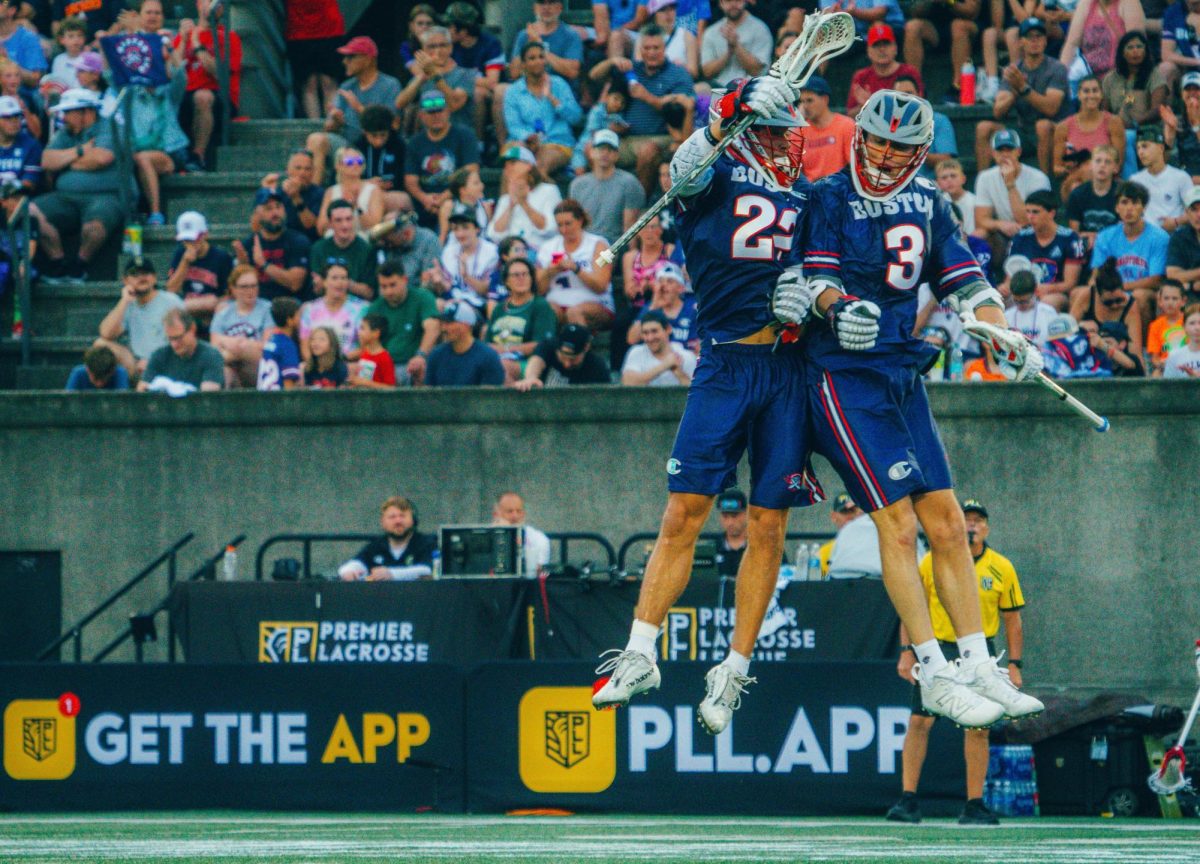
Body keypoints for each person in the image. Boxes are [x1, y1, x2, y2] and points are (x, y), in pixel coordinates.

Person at [786, 88, 1046, 728]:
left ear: (921, 152)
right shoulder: (826, 196)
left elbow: (966, 281)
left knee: (951, 523)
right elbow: (814, 278)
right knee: (897, 526)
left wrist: (999, 328)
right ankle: (932, 670)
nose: (885, 154)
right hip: (842, 375)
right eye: (878, 140)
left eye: (901, 146)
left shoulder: (929, 200)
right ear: (860, 137)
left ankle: (979, 664)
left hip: (900, 372)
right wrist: (838, 309)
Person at [591, 75, 826, 736]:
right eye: (777, 133)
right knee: (683, 513)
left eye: (790, 134)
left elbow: (828, 272)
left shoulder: (805, 199)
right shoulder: (713, 178)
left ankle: (734, 667)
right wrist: (724, 113)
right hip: (724, 362)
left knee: (770, 522)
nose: (789, 145)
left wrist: (806, 298)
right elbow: (682, 169)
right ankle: (641, 651)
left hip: (785, 366)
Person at [887, 499, 1034, 826]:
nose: (971, 526)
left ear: (987, 528)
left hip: (979, 650)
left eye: (978, 521)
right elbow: (913, 607)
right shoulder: (931, 562)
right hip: (937, 648)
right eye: (965, 519)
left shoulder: (1001, 567)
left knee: (979, 727)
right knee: (919, 722)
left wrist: (1015, 663)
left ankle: (974, 803)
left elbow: (1013, 620)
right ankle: (908, 799)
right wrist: (906, 650)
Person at [588, 24, 696, 191]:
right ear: (640, 48)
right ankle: (603, 194)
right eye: (646, 48)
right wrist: (612, 62)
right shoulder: (632, 69)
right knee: (590, 148)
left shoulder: (678, 74)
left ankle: (639, 203)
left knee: (648, 151)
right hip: (626, 137)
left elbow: (680, 112)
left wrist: (647, 97)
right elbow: (593, 76)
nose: (651, 52)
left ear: (664, 47)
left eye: (656, 47)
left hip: (661, 137)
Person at [35, 89, 122, 285]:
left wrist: (65, 162)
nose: (63, 117)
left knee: (95, 225)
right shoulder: (66, 133)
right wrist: (81, 151)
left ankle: (79, 267)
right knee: (29, 211)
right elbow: (46, 160)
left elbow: (101, 158)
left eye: (68, 112)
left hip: (105, 196)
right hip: (65, 197)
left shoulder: (108, 128)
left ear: (87, 112)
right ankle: (58, 264)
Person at [306, 36, 401, 186]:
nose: (345, 61)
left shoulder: (390, 85)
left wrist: (359, 108)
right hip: (350, 146)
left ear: (368, 59)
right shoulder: (346, 86)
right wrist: (336, 121)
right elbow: (329, 129)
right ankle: (314, 193)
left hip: (376, 144)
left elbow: (394, 125)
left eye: (351, 57)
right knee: (316, 139)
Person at [173, 0, 242, 172]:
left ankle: (199, 155)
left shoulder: (228, 37)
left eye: (217, 2)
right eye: (208, 1)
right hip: (184, 94)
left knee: (202, 96)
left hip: (219, 96)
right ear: (198, 4)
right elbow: (174, 71)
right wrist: (183, 40)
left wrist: (197, 45)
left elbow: (219, 73)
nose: (213, 6)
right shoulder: (184, 35)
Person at [1088, 180, 1167, 320]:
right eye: (1124, 202)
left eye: (1135, 202)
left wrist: (1120, 288)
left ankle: (1141, 342)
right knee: (1082, 292)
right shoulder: (1105, 236)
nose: (1129, 208)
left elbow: (1156, 280)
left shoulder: (1159, 237)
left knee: (1139, 296)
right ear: (1117, 208)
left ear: (1143, 207)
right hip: (1111, 292)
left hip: (1142, 292)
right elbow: (1096, 274)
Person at [403, 90, 482, 231]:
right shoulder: (415, 142)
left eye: (440, 111)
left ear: (448, 112)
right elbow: (410, 180)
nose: (436, 116)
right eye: (431, 113)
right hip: (424, 204)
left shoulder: (465, 135)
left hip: (456, 200)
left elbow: (471, 170)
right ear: (421, 116)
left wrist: (444, 197)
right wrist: (425, 198)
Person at [502, 41, 582, 178]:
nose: (538, 61)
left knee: (538, 167)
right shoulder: (513, 91)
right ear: (523, 64)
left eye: (541, 57)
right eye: (532, 58)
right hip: (524, 142)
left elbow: (576, 117)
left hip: (556, 143)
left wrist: (552, 98)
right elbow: (513, 125)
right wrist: (528, 138)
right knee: (513, 169)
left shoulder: (559, 84)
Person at [95, 257, 184, 379]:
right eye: (135, 274)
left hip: (167, 363)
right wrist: (124, 300)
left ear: (154, 277)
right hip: (137, 365)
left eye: (146, 273)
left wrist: (153, 362)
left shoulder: (171, 302)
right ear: (125, 280)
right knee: (101, 344)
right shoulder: (128, 304)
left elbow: (184, 340)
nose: (141, 278)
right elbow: (106, 333)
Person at [974, 129, 1052, 261]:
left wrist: (1010, 184)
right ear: (993, 154)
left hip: (1034, 231)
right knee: (979, 235)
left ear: (1019, 152)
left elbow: (1027, 220)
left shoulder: (1038, 178)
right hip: (1004, 232)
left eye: (1009, 150)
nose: (1005, 155)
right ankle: (984, 277)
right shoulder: (985, 177)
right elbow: (981, 220)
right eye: (1000, 151)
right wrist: (1000, 224)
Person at [536, 199, 615, 329]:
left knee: (574, 312)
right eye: (559, 225)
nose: (564, 230)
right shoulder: (547, 247)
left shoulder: (600, 244)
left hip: (595, 303)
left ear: (580, 220)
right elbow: (538, 289)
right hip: (557, 301)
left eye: (568, 224)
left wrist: (576, 269)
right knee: (546, 310)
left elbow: (601, 285)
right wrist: (549, 271)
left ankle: (581, 347)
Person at [1102, 31, 1169, 174]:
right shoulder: (1110, 78)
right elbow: (1104, 111)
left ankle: (1130, 181)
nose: (1135, 51)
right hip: (1116, 127)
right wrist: (1117, 124)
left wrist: (1134, 123)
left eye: (1139, 47)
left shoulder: (1154, 74)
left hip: (1147, 129)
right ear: (1122, 52)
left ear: (1145, 50)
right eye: (1130, 47)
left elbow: (1158, 110)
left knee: (1128, 136)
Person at [1005, 190, 1084, 310]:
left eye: (1035, 212)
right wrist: (1006, 287)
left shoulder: (1070, 238)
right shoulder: (1020, 238)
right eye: (1028, 212)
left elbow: (1070, 283)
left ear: (1051, 213)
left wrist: (1045, 288)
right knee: (1000, 298)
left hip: (1056, 293)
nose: (1030, 217)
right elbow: (1010, 276)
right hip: (1024, 291)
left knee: (1046, 303)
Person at [484, 257, 558, 383]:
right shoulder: (499, 309)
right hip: (498, 360)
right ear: (507, 281)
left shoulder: (540, 306)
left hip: (528, 363)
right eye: (516, 275)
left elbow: (541, 345)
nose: (521, 278)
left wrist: (505, 349)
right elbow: (487, 344)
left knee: (499, 367)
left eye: (525, 274)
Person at [1051, 76, 1125, 201]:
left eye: (1095, 91)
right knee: (1077, 185)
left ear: (1101, 94)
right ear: (1078, 95)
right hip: (1075, 180)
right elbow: (1056, 168)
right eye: (1086, 91)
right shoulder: (1063, 127)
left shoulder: (1113, 122)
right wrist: (1068, 168)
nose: (1091, 95)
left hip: (1106, 177)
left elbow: (1118, 163)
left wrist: (1093, 169)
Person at [365, 259, 439, 385]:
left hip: (412, 362)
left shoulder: (422, 298)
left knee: (421, 370)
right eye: (383, 286)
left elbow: (433, 327)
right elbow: (367, 341)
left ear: (404, 280)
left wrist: (420, 355)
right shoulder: (376, 307)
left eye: (393, 285)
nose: (388, 291)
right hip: (384, 364)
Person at [232, 189, 312, 302]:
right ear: (257, 214)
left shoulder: (298, 241)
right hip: (257, 303)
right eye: (268, 209)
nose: (275, 213)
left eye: (278, 207)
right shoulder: (249, 244)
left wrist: (264, 264)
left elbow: (295, 284)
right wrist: (243, 265)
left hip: (290, 304)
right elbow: (239, 288)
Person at [569, 129, 646, 245]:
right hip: (584, 247)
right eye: (601, 149)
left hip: (614, 248)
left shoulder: (629, 183)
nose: (605, 153)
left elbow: (630, 229)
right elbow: (573, 223)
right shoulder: (577, 185)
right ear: (591, 152)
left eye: (610, 149)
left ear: (616, 155)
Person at [394, 25, 477, 131]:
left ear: (450, 48)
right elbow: (400, 103)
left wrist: (434, 74)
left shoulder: (466, 74)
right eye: (431, 47)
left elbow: (453, 106)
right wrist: (421, 76)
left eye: (443, 45)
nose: (438, 51)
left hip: (458, 138)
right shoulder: (423, 76)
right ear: (423, 50)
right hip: (429, 139)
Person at [902, 0, 982, 104]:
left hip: (969, 28)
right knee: (912, 27)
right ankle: (915, 85)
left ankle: (958, 87)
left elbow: (971, 12)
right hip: (936, 30)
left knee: (958, 26)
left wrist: (949, 1)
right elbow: (915, 12)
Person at [337, 496, 436, 581]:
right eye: (392, 517)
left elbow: (427, 569)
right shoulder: (376, 546)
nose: (398, 521)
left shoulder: (426, 543)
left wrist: (391, 574)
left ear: (413, 520)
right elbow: (356, 563)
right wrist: (348, 571)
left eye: (402, 516)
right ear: (383, 522)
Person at [445, 1, 505, 141]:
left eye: (450, 26)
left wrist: (462, 78)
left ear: (463, 31)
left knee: (477, 93)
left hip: (489, 93)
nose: (446, 30)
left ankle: (478, 143)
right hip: (456, 89)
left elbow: (491, 82)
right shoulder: (449, 45)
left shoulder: (490, 44)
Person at [1070, 255, 1146, 359]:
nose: (1115, 305)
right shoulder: (1087, 295)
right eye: (1108, 302)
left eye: (1119, 300)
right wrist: (1081, 327)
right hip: (1088, 354)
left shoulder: (1130, 305)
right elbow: (1066, 332)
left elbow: (1135, 352)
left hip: (1118, 359)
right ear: (1097, 293)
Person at [166, 210, 233, 327]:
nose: (190, 243)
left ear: (205, 234)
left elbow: (231, 294)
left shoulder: (221, 257)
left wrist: (211, 303)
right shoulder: (180, 254)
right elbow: (171, 290)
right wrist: (185, 262)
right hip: (187, 310)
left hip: (214, 311)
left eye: (194, 239)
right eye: (186, 240)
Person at [485, 148, 561, 251]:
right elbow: (494, 233)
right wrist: (511, 205)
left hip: (540, 251)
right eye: (505, 164)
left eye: (513, 162)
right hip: (511, 253)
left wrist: (523, 203)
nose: (508, 167)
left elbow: (550, 228)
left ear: (529, 165)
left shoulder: (549, 190)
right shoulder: (505, 199)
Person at [210, 264, 272, 388]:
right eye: (244, 287)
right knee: (224, 373)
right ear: (233, 289)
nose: (250, 290)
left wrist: (242, 346)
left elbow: (268, 345)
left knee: (239, 350)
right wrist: (236, 343)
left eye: (254, 286)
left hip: (258, 366)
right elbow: (214, 344)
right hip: (230, 365)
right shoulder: (223, 311)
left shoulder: (267, 309)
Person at [138, 308, 224, 393]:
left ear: (192, 329)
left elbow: (208, 396)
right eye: (170, 339)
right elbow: (142, 389)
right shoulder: (159, 355)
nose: (174, 344)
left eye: (178, 338)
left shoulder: (211, 355)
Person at [285, 0, 346, 120]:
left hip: (327, 30)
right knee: (311, 84)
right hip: (301, 32)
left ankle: (331, 124)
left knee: (327, 82)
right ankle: (315, 127)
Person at [1059, 0, 1146, 84]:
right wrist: (1060, 77)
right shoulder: (1086, 3)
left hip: (1119, 77)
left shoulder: (1129, 3)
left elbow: (1136, 46)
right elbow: (1071, 44)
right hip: (1089, 79)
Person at [846, 23, 922, 118]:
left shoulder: (909, 72)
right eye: (876, 45)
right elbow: (851, 115)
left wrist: (874, 104)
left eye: (886, 44)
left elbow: (920, 108)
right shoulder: (861, 76)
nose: (882, 49)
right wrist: (865, 105)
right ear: (868, 51)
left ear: (895, 48)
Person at [425, 301, 505, 387]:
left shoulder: (487, 356)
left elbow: (490, 395)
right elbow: (429, 393)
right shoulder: (436, 355)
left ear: (465, 325)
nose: (444, 328)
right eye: (442, 323)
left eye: (449, 323)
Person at [310, 198, 377, 300]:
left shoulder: (367, 250)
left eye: (348, 219)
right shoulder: (318, 249)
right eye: (338, 220)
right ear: (330, 223)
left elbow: (369, 292)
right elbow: (317, 290)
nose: (345, 225)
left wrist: (338, 281)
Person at [438, 203, 500, 311]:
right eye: (456, 229)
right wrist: (437, 282)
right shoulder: (449, 251)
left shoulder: (491, 252)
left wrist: (466, 277)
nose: (460, 234)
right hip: (453, 301)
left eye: (465, 228)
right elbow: (446, 288)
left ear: (477, 229)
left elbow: (488, 291)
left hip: (480, 305)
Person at [1130, 125, 1192, 232]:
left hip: (1174, 239)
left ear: (1161, 148)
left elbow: (1195, 210)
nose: (1140, 152)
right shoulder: (1134, 181)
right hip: (1146, 241)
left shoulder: (1181, 177)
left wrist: (1176, 222)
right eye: (1138, 148)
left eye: (1145, 146)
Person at [514, 321, 611, 389]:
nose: (567, 364)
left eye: (573, 359)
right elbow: (537, 360)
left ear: (586, 348)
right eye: (563, 357)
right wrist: (531, 378)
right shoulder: (549, 346)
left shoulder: (597, 367)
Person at [299, 261, 368, 355]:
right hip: (318, 366)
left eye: (344, 278)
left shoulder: (362, 309)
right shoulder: (310, 309)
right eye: (334, 278)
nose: (340, 282)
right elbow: (305, 345)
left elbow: (367, 346)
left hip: (349, 364)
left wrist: (340, 364)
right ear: (324, 282)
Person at [700, 0, 772, 88]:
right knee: (700, 89)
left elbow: (758, 71)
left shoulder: (760, 29)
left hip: (750, 89)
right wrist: (728, 53)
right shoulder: (711, 32)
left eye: (737, 0)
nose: (733, 4)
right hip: (718, 88)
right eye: (728, 1)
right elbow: (707, 73)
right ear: (721, 3)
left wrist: (736, 45)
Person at [316, 146, 385, 238]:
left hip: (363, 239)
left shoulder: (373, 190)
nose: (356, 164)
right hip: (336, 239)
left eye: (359, 161)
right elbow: (321, 229)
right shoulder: (331, 191)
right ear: (338, 165)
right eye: (350, 162)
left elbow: (375, 227)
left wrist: (357, 207)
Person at [1066, 143, 1121, 255]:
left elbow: (1124, 232)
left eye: (1108, 162)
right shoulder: (1077, 194)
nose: (1102, 165)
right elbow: (1074, 232)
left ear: (1115, 168)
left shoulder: (1122, 194)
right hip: (1085, 245)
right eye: (1098, 161)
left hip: (1114, 245)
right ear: (1091, 165)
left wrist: (1098, 237)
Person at [620, 308, 697, 386]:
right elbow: (628, 383)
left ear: (668, 329)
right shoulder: (636, 352)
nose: (650, 338)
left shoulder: (686, 356)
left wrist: (679, 372)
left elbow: (696, 393)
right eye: (645, 333)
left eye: (654, 331)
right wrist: (664, 365)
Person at [261, 148, 325, 241]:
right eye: (298, 168)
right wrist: (264, 192)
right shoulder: (277, 193)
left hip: (309, 242)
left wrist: (296, 197)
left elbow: (310, 226)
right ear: (288, 170)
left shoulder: (320, 193)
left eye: (307, 169)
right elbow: (257, 226)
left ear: (313, 172)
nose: (302, 173)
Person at [798, 75, 853, 182]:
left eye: (809, 101)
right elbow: (792, 170)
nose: (805, 106)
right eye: (802, 101)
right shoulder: (799, 131)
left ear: (825, 99)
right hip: (811, 190)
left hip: (839, 187)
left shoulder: (846, 125)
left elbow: (853, 165)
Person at [354, 105, 406, 215]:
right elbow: (344, 178)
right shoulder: (356, 148)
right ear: (365, 132)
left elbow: (404, 178)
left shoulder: (400, 147)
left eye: (383, 135)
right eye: (374, 136)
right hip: (362, 194)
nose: (379, 141)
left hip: (392, 196)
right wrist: (366, 184)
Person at [492, 491, 553, 576]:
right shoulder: (487, 538)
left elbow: (538, 573)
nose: (515, 516)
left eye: (519, 511)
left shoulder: (539, 539)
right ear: (496, 515)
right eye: (509, 511)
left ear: (523, 514)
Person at [257, 296, 303, 391]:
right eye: (298, 315)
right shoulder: (287, 345)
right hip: (278, 400)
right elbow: (288, 382)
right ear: (289, 321)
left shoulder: (271, 341)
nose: (300, 319)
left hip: (264, 397)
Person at [437, 166, 492, 246]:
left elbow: (488, 234)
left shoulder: (485, 207)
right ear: (463, 190)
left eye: (480, 182)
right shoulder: (449, 207)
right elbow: (443, 236)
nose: (482, 185)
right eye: (476, 183)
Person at [816, 492, 864, 577]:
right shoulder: (823, 553)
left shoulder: (877, 547)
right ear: (834, 516)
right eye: (846, 511)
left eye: (856, 511)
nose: (852, 516)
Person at [1005, 270, 1057, 348]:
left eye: (1024, 301)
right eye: (1016, 301)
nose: (1020, 305)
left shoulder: (1048, 313)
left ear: (1035, 292)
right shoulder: (1007, 316)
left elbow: (1056, 344)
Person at [0, 96, 40, 196]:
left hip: (17, 197)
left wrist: (9, 190)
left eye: (17, 116)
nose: (14, 121)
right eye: (7, 117)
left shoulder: (31, 145)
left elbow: (30, 183)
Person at [1147, 280, 1187, 374]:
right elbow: (1155, 357)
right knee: (1156, 374)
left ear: (1183, 301)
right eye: (1166, 298)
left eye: (1174, 298)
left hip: (1188, 363)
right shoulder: (1155, 326)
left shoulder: (1190, 321)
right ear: (1160, 301)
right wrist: (1161, 364)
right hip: (1166, 365)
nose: (1170, 302)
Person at [1166, 186, 1200, 297]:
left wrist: (1189, 277)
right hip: (1190, 297)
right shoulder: (1179, 237)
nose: (1198, 215)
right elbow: (1172, 275)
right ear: (1187, 212)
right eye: (1194, 209)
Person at [347, 313, 396, 388]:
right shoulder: (364, 353)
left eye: (362, 328)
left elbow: (391, 388)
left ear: (376, 333)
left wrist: (365, 383)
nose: (359, 332)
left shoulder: (384, 358)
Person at [711, 488, 749, 577]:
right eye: (725, 516)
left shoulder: (763, 546)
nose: (730, 522)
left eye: (734, 516)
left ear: (747, 513)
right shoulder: (712, 549)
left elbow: (785, 577)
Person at [935, 159, 977, 236]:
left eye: (953, 176)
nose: (949, 180)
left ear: (963, 179)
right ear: (938, 183)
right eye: (944, 178)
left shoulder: (974, 202)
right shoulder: (937, 203)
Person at [65, 345, 130, 391]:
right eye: (95, 379)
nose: (99, 384)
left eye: (103, 379)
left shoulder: (120, 373)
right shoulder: (78, 373)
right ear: (88, 370)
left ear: (112, 371)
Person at [1162, 302, 1200, 377]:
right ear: (1184, 327)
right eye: (1192, 323)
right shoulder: (1174, 355)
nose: (1197, 328)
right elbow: (1169, 385)